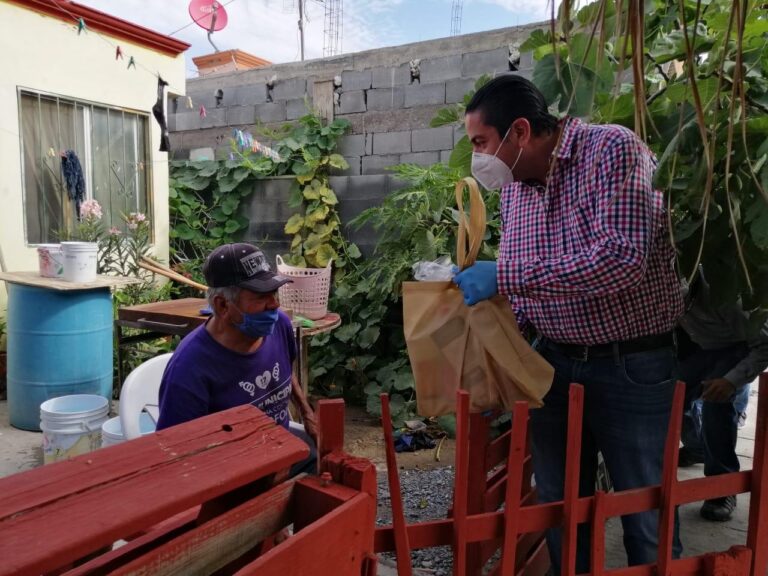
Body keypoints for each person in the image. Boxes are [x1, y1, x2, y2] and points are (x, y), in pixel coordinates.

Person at [453, 74, 684, 572]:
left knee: (646, 509)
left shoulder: (612, 151)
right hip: (552, 364)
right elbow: (522, 284)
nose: (477, 158)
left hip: (632, 364)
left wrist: (506, 275)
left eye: (480, 143)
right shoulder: (514, 188)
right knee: (559, 508)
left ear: (518, 132)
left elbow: (622, 260)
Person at [157, 243, 317, 475]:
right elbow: (176, 456)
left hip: (279, 448)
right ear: (223, 305)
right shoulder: (189, 368)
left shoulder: (279, 325)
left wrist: (307, 413)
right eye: (262, 297)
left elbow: (284, 369)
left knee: (328, 471)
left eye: (274, 293)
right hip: (230, 475)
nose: (275, 304)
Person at [677, 267, 768, 521]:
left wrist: (732, 380)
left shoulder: (726, 295)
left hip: (736, 347)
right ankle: (696, 446)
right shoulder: (665, 290)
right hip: (697, 345)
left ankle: (722, 487)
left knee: (717, 403)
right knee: (669, 394)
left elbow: (764, 344)